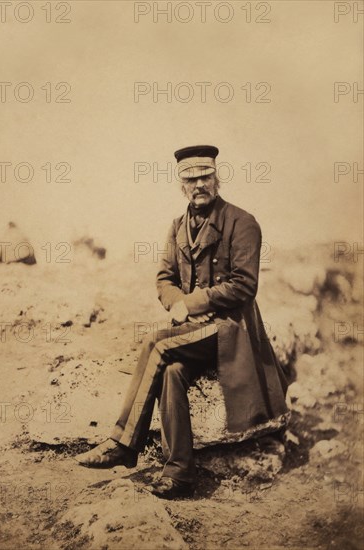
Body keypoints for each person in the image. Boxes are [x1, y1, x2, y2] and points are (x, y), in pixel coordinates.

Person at [76, 145, 289, 500]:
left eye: (205, 176)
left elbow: (245, 285)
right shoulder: (177, 227)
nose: (198, 184)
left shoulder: (243, 222)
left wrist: (192, 303)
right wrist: (179, 305)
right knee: (172, 370)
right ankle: (179, 473)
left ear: (217, 179)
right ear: (181, 186)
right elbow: (164, 277)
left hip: (229, 331)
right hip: (195, 330)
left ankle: (124, 443)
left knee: (157, 343)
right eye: (190, 179)